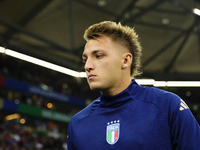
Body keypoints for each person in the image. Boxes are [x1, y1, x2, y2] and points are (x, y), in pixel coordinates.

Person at [67, 21, 200, 150]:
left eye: (99, 56)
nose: (87, 66)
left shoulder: (168, 106)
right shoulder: (77, 124)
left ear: (125, 60)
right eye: (85, 59)